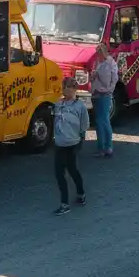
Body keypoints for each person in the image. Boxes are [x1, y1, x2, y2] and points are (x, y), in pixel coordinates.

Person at [53, 78, 89, 215]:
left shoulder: (80, 106)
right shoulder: (58, 104)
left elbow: (84, 125)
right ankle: (64, 203)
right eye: (63, 87)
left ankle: (80, 193)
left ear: (74, 89)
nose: (64, 89)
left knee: (73, 170)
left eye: (67, 87)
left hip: (72, 143)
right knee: (59, 173)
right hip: (60, 143)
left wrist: (80, 139)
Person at [91, 42, 118, 158]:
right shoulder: (98, 62)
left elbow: (114, 78)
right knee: (100, 121)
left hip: (104, 94)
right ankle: (103, 147)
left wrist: (109, 90)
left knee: (103, 120)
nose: (97, 56)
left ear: (103, 52)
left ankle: (106, 147)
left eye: (98, 53)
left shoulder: (110, 63)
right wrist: (93, 75)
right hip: (97, 93)